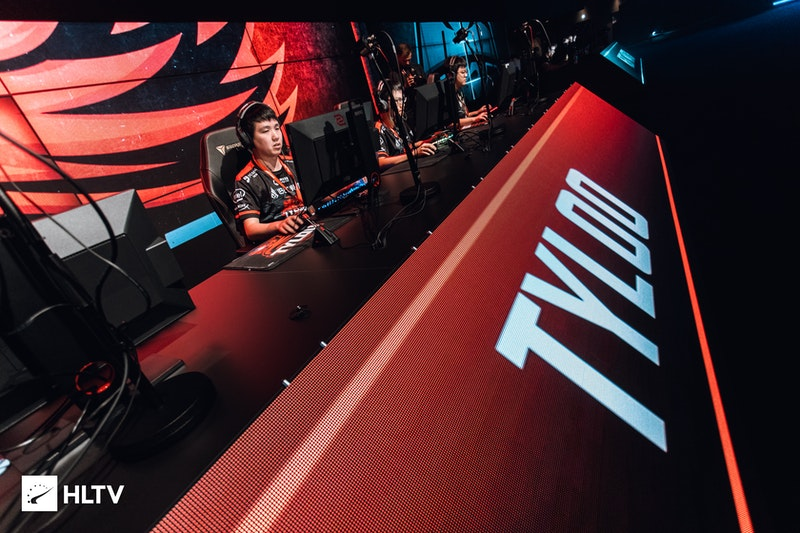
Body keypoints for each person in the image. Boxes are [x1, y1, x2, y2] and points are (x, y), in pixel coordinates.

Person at [232, 101, 307, 243]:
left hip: (309, 227)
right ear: (249, 139)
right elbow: (251, 229)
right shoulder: (245, 180)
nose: (276, 136)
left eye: (277, 128)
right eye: (265, 131)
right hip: (282, 241)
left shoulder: (295, 162)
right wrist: (278, 225)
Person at [373, 76, 438, 171]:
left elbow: (406, 147)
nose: (402, 104)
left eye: (402, 99)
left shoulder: (399, 122)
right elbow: (381, 162)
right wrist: (413, 153)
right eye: (397, 100)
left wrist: (430, 140)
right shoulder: (378, 129)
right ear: (384, 104)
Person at [448, 55, 490, 129]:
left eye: (466, 72)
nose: (466, 75)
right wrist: (475, 119)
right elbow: (451, 123)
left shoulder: (460, 92)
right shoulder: (449, 96)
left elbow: (466, 115)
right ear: (452, 75)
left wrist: (478, 112)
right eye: (462, 72)